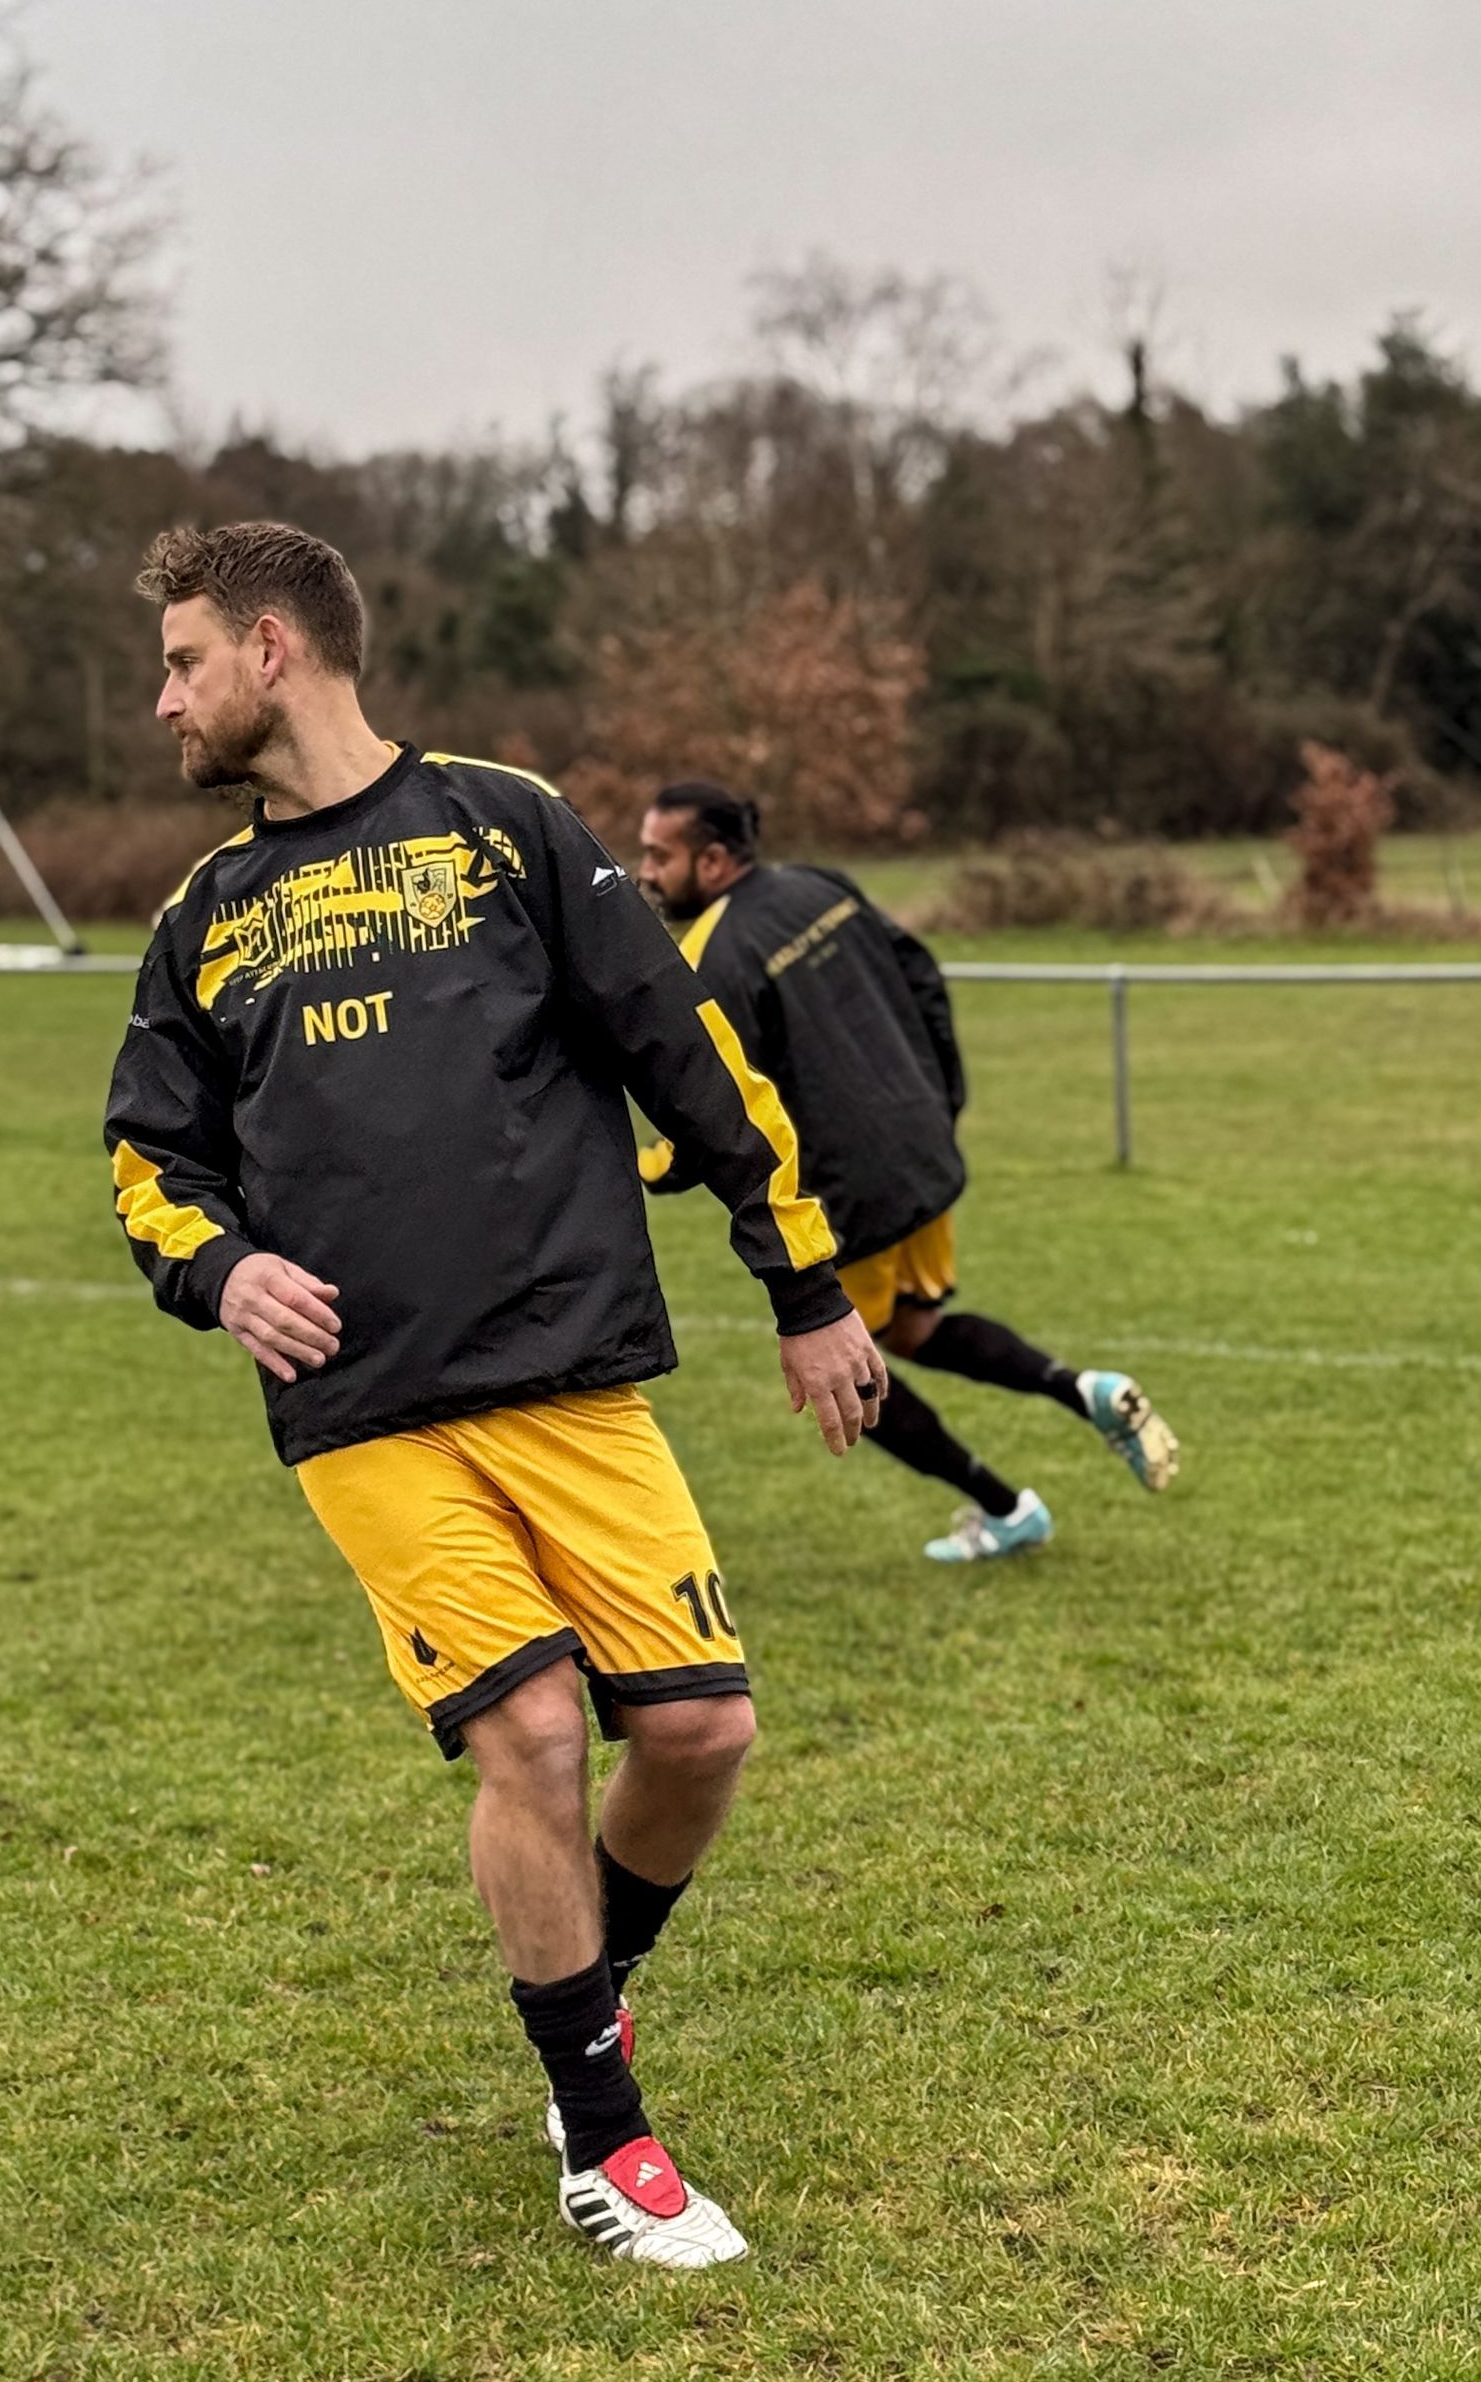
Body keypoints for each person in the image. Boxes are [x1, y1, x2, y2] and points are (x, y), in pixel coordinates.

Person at [104, 521, 886, 2273]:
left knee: (698, 1735)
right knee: (532, 1732)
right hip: (366, 1406)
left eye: (182, 660)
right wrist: (223, 1266)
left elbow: (687, 1058)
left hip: (571, 1376)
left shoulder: (504, 824)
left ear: (274, 648)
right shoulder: (204, 919)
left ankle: (580, 2003)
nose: (164, 698)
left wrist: (811, 1292)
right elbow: (148, 1158)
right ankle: (607, 2144)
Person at [635, 782, 1177, 1562]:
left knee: (844, 1369)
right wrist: (942, 1096)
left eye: (659, 854)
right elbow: (920, 972)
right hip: (920, 1149)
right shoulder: (819, 883)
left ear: (712, 860)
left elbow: (716, 1106)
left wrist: (650, 1169)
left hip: (850, 1188)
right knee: (911, 1327)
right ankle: (1081, 1388)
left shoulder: (708, 954)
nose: (646, 871)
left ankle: (1007, 1508)